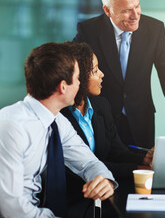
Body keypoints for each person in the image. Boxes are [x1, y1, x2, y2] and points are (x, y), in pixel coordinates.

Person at [0, 42, 117, 218]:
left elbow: (88, 162)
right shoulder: (12, 126)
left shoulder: (56, 122)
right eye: (78, 78)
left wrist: (102, 179)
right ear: (63, 87)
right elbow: (13, 209)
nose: (80, 84)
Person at [73, 0, 165, 149]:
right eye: (127, 10)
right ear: (108, 10)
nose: (136, 15)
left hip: (141, 120)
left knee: (143, 169)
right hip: (102, 119)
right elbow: (71, 68)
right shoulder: (89, 30)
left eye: (137, 6)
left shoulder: (155, 29)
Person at [61, 42, 153, 217]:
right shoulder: (60, 115)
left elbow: (117, 152)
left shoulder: (101, 105)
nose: (102, 75)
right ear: (77, 77)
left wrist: (146, 158)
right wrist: (139, 168)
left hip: (105, 195)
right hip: (75, 201)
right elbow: (87, 164)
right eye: (95, 70)